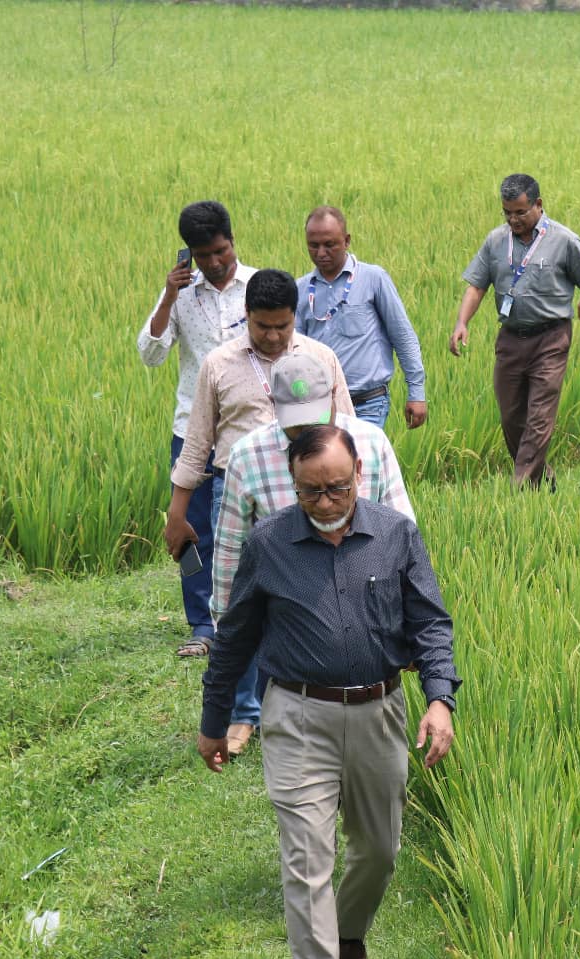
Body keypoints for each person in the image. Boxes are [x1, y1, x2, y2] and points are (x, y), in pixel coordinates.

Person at [198, 424, 460, 959]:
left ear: (359, 479)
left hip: (378, 712)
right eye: (312, 490)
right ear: (293, 483)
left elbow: (430, 621)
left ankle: (347, 935)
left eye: (337, 487)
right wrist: (214, 719)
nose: (326, 501)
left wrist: (440, 700)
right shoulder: (269, 544)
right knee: (306, 859)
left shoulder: (394, 535)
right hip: (298, 716)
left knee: (378, 849)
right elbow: (234, 637)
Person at [163, 269, 355, 755]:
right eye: (262, 326)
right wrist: (178, 508)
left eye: (282, 327)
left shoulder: (320, 358)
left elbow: (347, 431)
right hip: (241, 488)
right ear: (245, 316)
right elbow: (197, 442)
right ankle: (245, 713)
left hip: (309, 494)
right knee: (244, 600)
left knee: (306, 599)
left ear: (295, 319)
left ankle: (300, 701)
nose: (272, 337)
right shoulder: (218, 363)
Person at [211, 351, 417, 643]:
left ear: (334, 394)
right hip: (284, 630)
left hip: (367, 624)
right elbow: (231, 550)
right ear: (273, 404)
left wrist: (412, 622)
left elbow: (402, 537)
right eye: (297, 423)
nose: (309, 431)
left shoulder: (371, 443)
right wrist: (226, 629)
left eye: (316, 417)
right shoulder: (247, 457)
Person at [136, 200, 257, 659]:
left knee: (252, 529)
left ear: (232, 240)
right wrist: (168, 296)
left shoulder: (256, 285)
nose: (213, 263)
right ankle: (201, 626)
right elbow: (151, 354)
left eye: (220, 251)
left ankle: (246, 617)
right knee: (190, 529)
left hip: (247, 431)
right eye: (202, 255)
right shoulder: (182, 293)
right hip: (192, 431)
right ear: (188, 253)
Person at [450, 174, 580, 489]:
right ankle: (543, 483)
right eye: (507, 212)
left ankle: (518, 486)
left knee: (539, 417)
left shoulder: (564, 240)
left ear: (538, 204)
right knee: (512, 418)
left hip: (551, 339)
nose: (513, 219)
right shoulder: (495, 241)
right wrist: (462, 322)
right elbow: (477, 285)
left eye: (520, 212)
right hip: (510, 339)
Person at [295, 206, 428, 432]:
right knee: (324, 466)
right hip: (319, 406)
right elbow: (295, 353)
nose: (320, 253)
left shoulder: (373, 279)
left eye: (329, 245)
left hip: (367, 403)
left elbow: (403, 336)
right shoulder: (300, 288)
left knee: (360, 466)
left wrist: (417, 393)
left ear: (346, 241)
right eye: (313, 245)